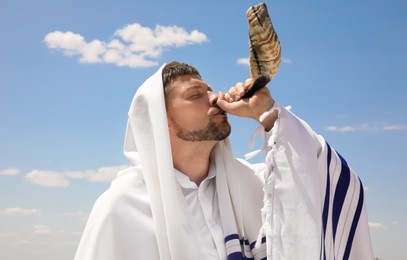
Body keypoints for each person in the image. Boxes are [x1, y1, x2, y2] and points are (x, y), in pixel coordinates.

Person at [74, 61, 373, 260]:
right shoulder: (122, 208)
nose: (215, 98)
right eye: (195, 95)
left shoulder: (257, 188)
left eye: (209, 89)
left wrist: (267, 112)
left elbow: (326, 181)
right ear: (159, 120)